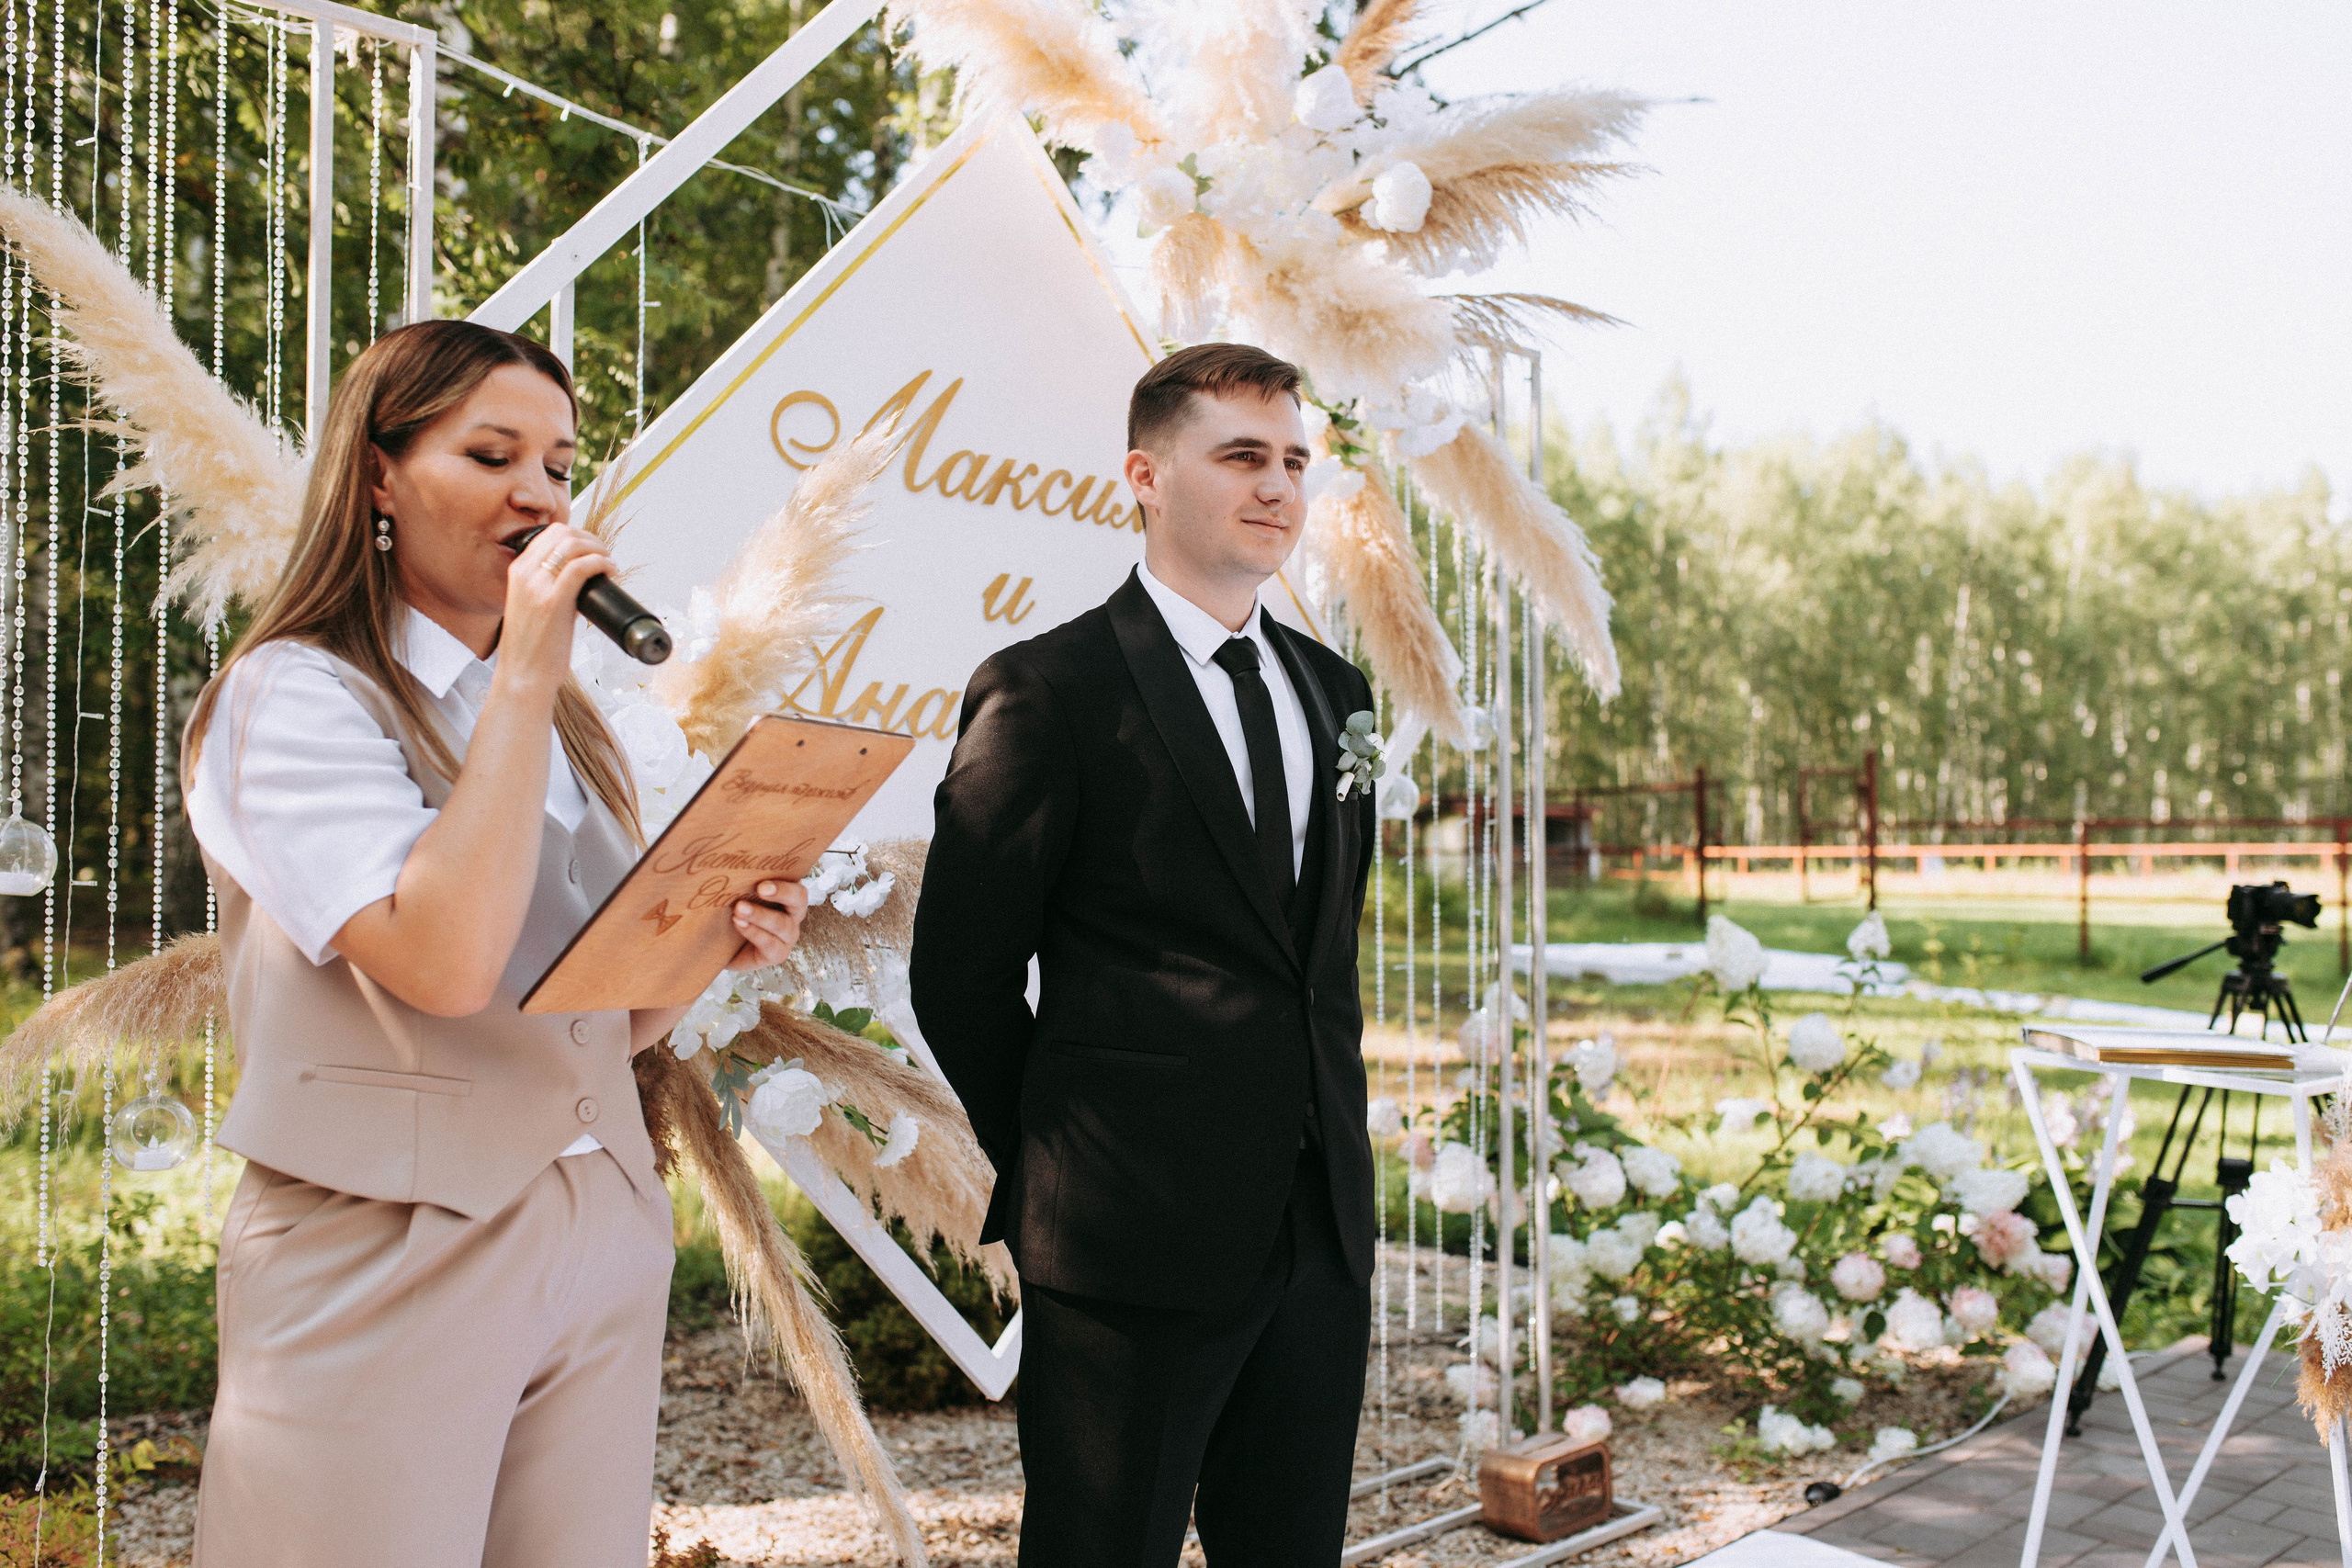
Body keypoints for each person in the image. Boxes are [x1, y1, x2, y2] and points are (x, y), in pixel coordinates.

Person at [181, 320, 806, 1568]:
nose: (539, 494)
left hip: (598, 1231)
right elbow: (442, 964)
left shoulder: (568, 728)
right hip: (386, 1239)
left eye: (560, 467)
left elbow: (595, 1021)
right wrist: (524, 676)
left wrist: (710, 942)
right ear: (378, 475)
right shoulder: (294, 695)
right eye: (492, 454)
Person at [910, 342, 1377, 1565]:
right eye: (1242, 456)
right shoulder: (1045, 691)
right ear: (1146, 477)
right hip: (1125, 1236)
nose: (1277, 487)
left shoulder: (1337, 694)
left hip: (1319, 1231)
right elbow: (958, 977)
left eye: (1294, 462)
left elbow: (1316, 963)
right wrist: (1064, 1164)